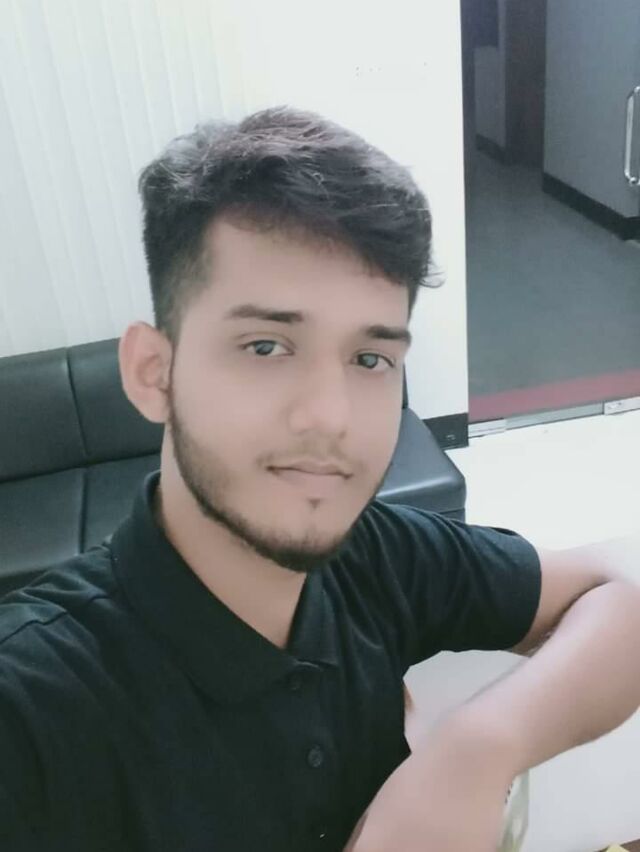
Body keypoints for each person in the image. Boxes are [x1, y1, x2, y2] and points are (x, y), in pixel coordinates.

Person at [1, 106, 639, 852]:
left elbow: (621, 591)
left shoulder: (376, 557)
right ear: (154, 372)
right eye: (266, 346)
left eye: (370, 359)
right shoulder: (34, 709)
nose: (331, 417)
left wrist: (475, 752)